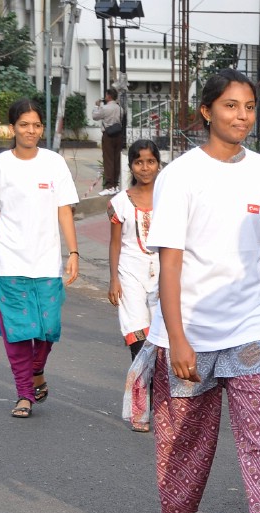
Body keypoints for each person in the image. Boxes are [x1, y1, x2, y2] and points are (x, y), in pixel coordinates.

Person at [144, 69, 260, 513]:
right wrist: (178, 338)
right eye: (231, 106)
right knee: (185, 435)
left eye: (250, 106)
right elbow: (170, 263)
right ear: (207, 111)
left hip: (254, 329)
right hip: (190, 329)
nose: (242, 116)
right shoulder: (180, 176)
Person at [0, 98, 81, 419]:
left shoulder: (54, 163)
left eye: (36, 125)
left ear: (42, 128)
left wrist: (73, 252)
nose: (31, 130)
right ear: (12, 128)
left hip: (46, 262)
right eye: (24, 125)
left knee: (48, 328)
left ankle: (37, 372)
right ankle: (24, 394)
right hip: (7, 262)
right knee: (18, 333)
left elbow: (64, 210)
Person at [107, 139, 161, 360]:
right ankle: (141, 390)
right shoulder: (118, 203)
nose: (145, 168)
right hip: (129, 271)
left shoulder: (169, 198)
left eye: (150, 161)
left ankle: (159, 391)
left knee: (162, 332)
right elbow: (115, 243)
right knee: (136, 329)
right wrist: (113, 279)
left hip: (163, 270)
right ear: (131, 166)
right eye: (139, 162)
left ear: (158, 164)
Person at [93, 88, 123, 196]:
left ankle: (109, 186)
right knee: (116, 160)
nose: (105, 97)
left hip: (108, 135)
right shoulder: (120, 108)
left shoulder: (105, 108)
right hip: (118, 135)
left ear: (109, 96)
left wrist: (97, 106)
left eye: (106, 95)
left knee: (108, 160)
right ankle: (115, 185)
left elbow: (95, 116)